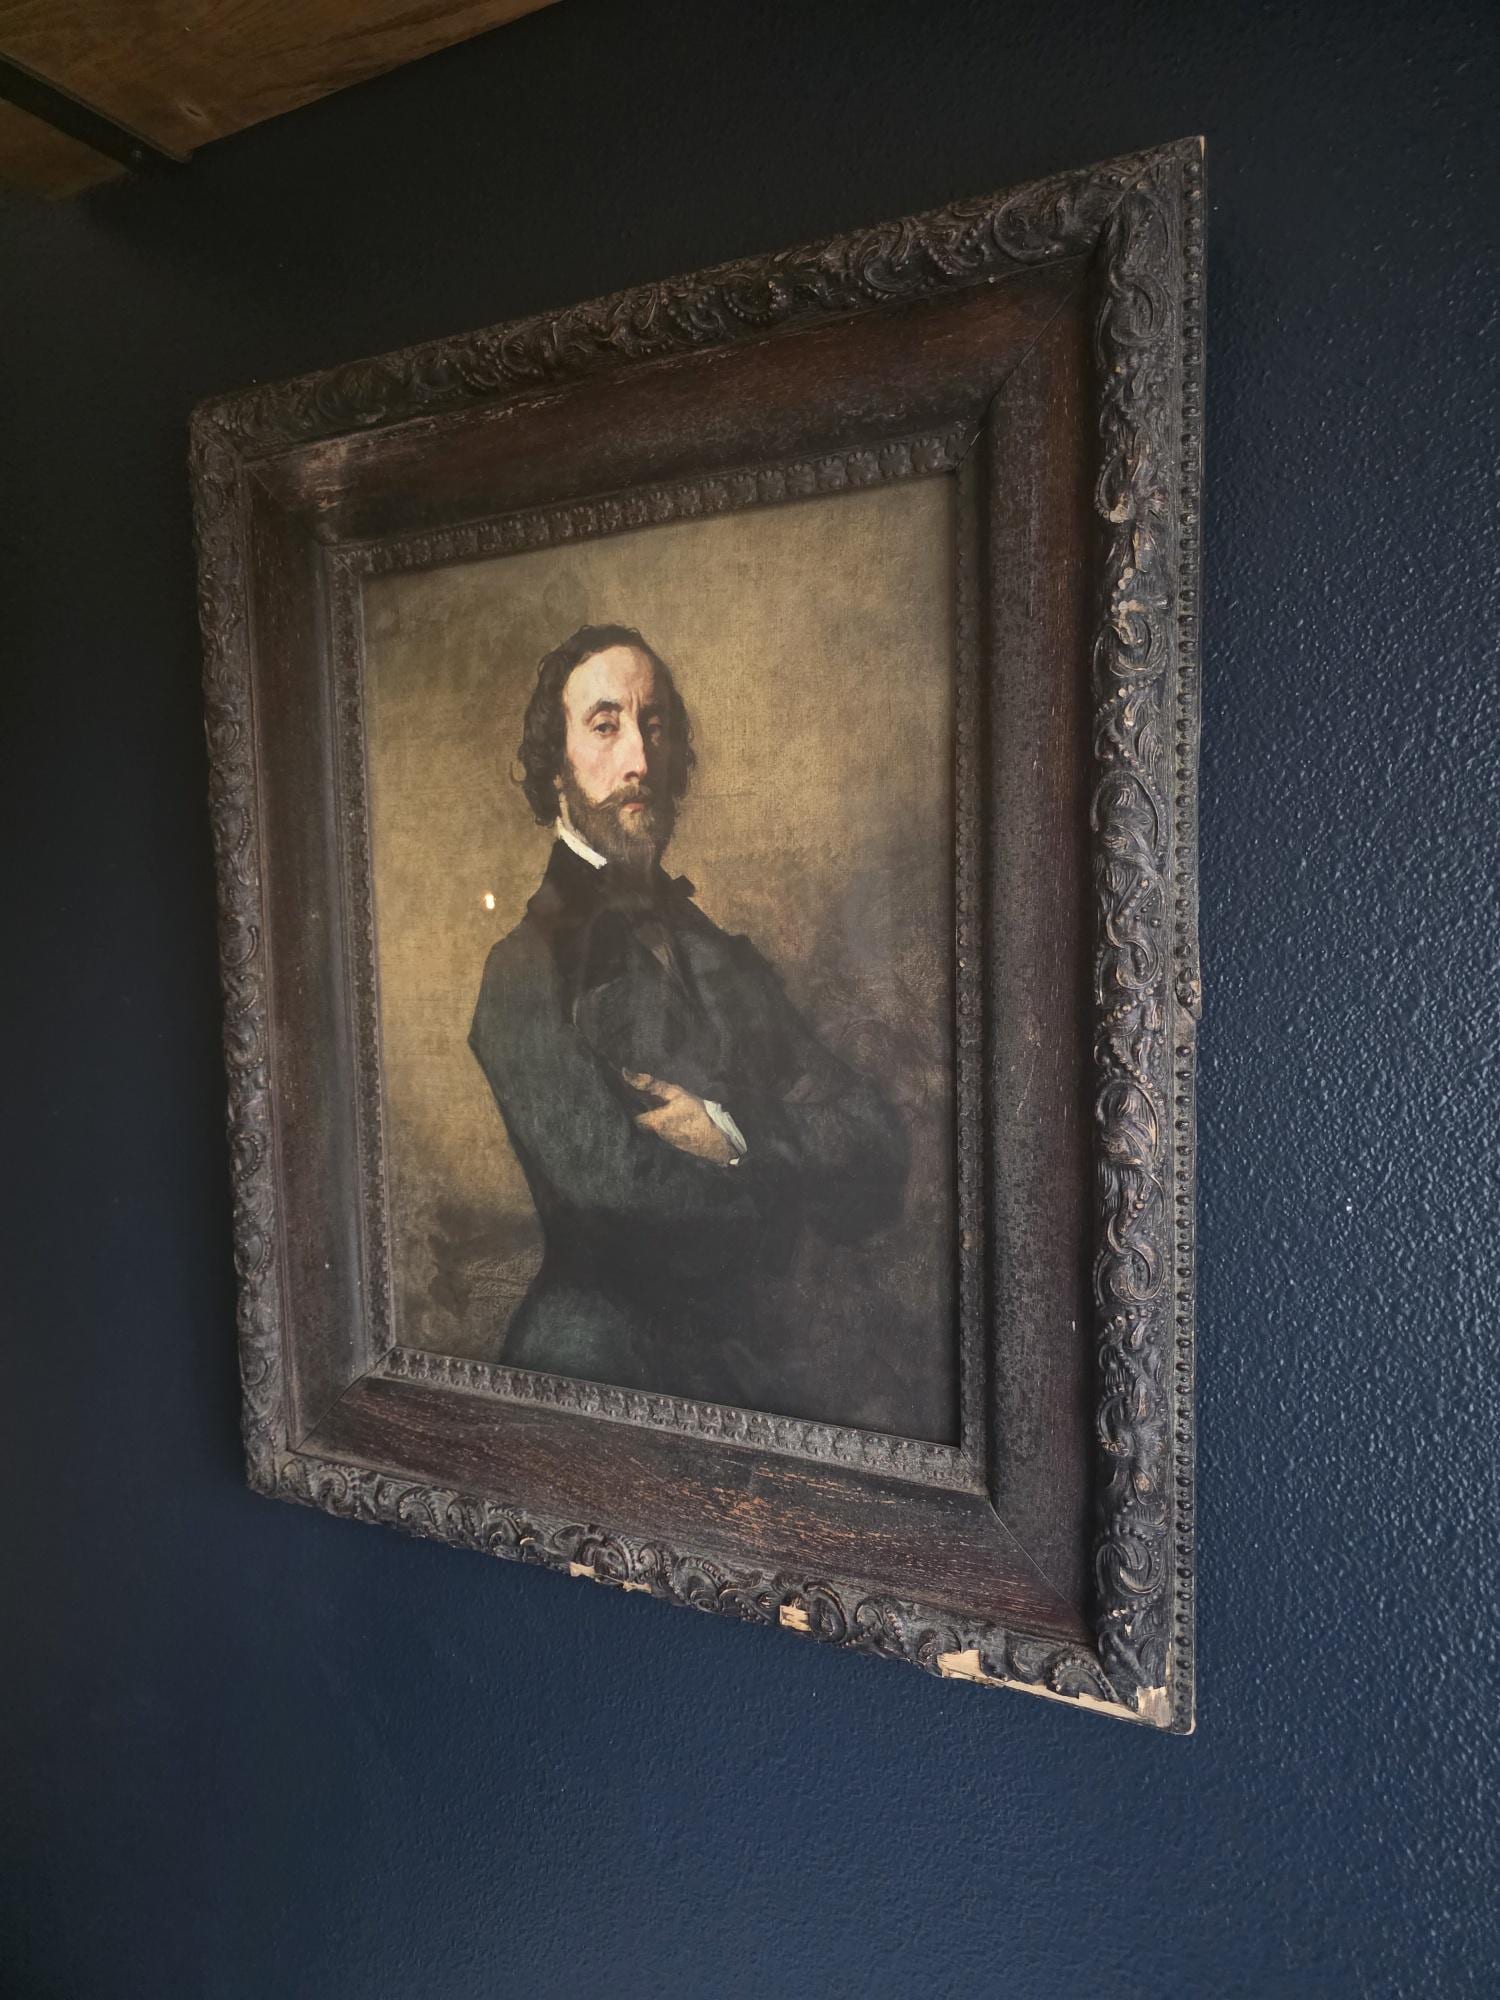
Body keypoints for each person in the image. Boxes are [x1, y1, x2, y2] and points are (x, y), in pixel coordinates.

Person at [468, 622, 907, 1408]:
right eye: (606, 727)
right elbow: (629, 1206)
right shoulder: (523, 971)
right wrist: (791, 1167)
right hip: (597, 1376)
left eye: (655, 725)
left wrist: (733, 1133)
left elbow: (877, 1145)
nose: (639, 759)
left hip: (747, 1376)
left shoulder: (713, 953)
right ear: (557, 766)